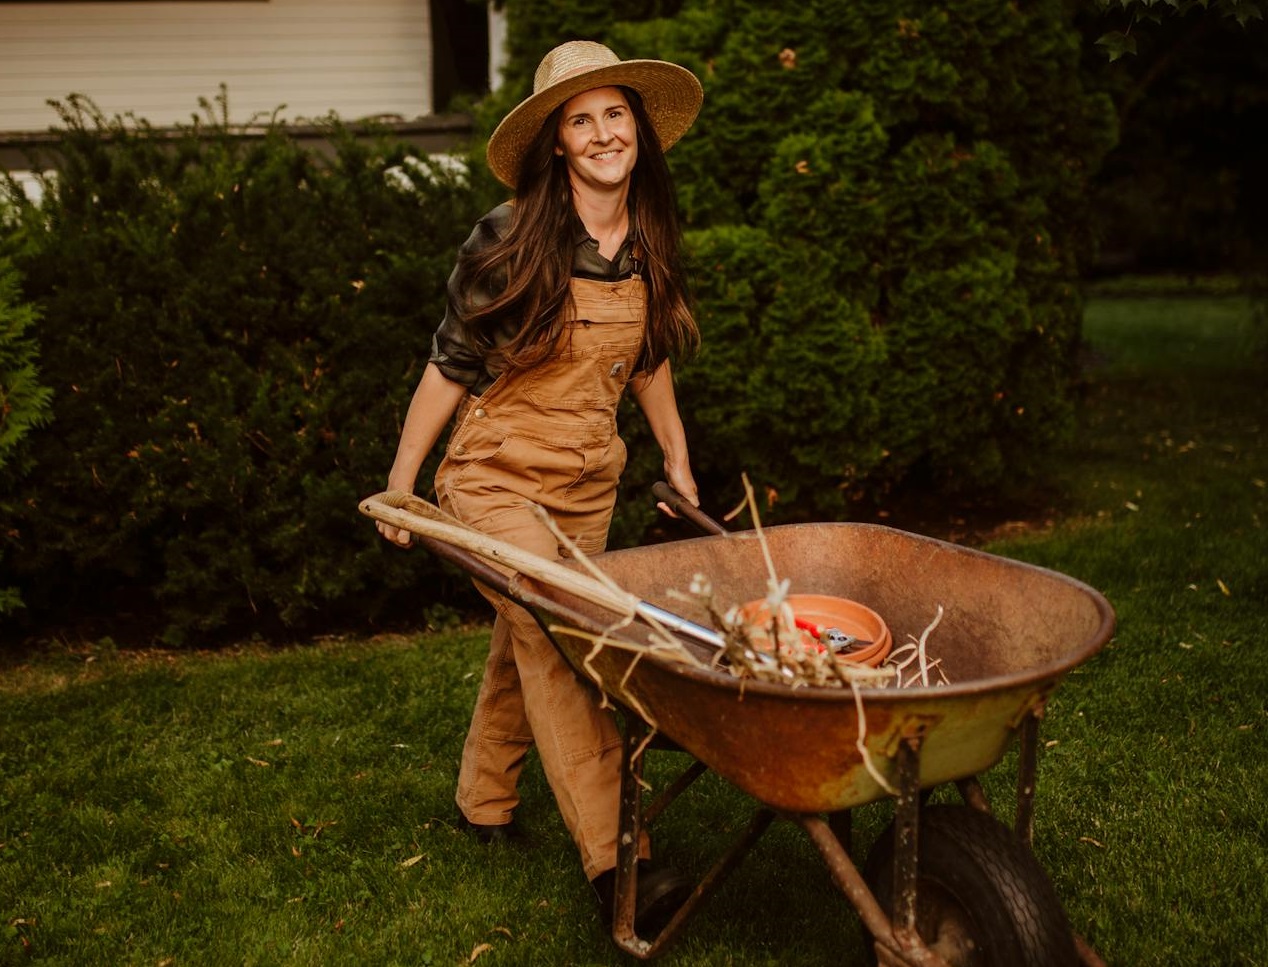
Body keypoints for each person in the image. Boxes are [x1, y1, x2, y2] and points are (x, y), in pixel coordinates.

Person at [375, 40, 704, 932]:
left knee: (527, 635)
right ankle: (618, 865)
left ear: (637, 128)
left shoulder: (646, 235)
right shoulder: (509, 234)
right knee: (564, 642)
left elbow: (647, 361)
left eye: (615, 114)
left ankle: (482, 801)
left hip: (588, 483)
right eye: (580, 118)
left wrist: (674, 452)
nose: (602, 133)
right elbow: (449, 367)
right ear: (557, 142)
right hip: (492, 474)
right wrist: (403, 485)